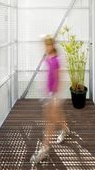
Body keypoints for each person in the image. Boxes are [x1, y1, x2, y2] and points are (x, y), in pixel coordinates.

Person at [30, 36, 70, 164]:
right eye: (45, 45)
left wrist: (54, 97)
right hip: (48, 94)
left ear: (52, 45)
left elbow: (58, 79)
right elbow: (46, 76)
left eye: (48, 45)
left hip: (53, 95)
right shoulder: (48, 58)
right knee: (57, 116)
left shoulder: (56, 60)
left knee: (50, 121)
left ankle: (45, 149)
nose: (46, 47)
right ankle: (65, 130)